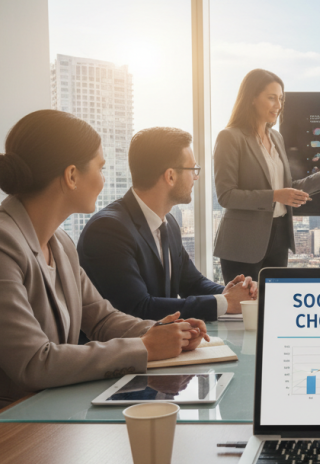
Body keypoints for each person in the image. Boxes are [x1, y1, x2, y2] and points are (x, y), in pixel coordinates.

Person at [0, 111, 208, 464]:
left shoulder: (60, 243)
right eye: (100, 168)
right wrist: (146, 348)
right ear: (72, 175)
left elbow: (101, 319)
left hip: (27, 423)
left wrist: (165, 332)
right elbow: (33, 362)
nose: (104, 180)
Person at [78, 127, 256, 322]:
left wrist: (232, 292)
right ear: (170, 176)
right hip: (126, 349)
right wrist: (225, 302)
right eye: (193, 170)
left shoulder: (168, 222)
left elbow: (192, 282)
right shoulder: (108, 230)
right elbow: (138, 308)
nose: (196, 177)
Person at [213, 69, 320, 280]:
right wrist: (274, 196)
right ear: (252, 98)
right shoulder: (230, 137)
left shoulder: (276, 137)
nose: (278, 105)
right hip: (243, 243)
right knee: (244, 309)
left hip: (279, 236)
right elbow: (226, 195)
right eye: (271, 98)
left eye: (281, 99)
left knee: (273, 306)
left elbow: (287, 189)